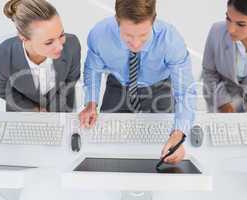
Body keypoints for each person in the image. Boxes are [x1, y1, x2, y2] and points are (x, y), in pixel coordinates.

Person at [79, 0, 196, 164]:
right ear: (117, 20)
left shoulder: (171, 40)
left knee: (161, 146)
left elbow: (185, 91)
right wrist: (91, 103)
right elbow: (93, 69)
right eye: (128, 36)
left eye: (143, 36)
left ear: (153, 19)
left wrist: (178, 134)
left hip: (159, 87)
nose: (135, 44)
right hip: (118, 86)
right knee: (105, 145)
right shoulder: (100, 35)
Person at [0, 0, 81, 112]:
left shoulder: (72, 44)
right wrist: (33, 109)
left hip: (61, 106)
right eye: (49, 42)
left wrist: (55, 110)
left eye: (61, 35)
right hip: (23, 111)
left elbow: (71, 80)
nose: (60, 47)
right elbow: (3, 90)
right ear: (24, 38)